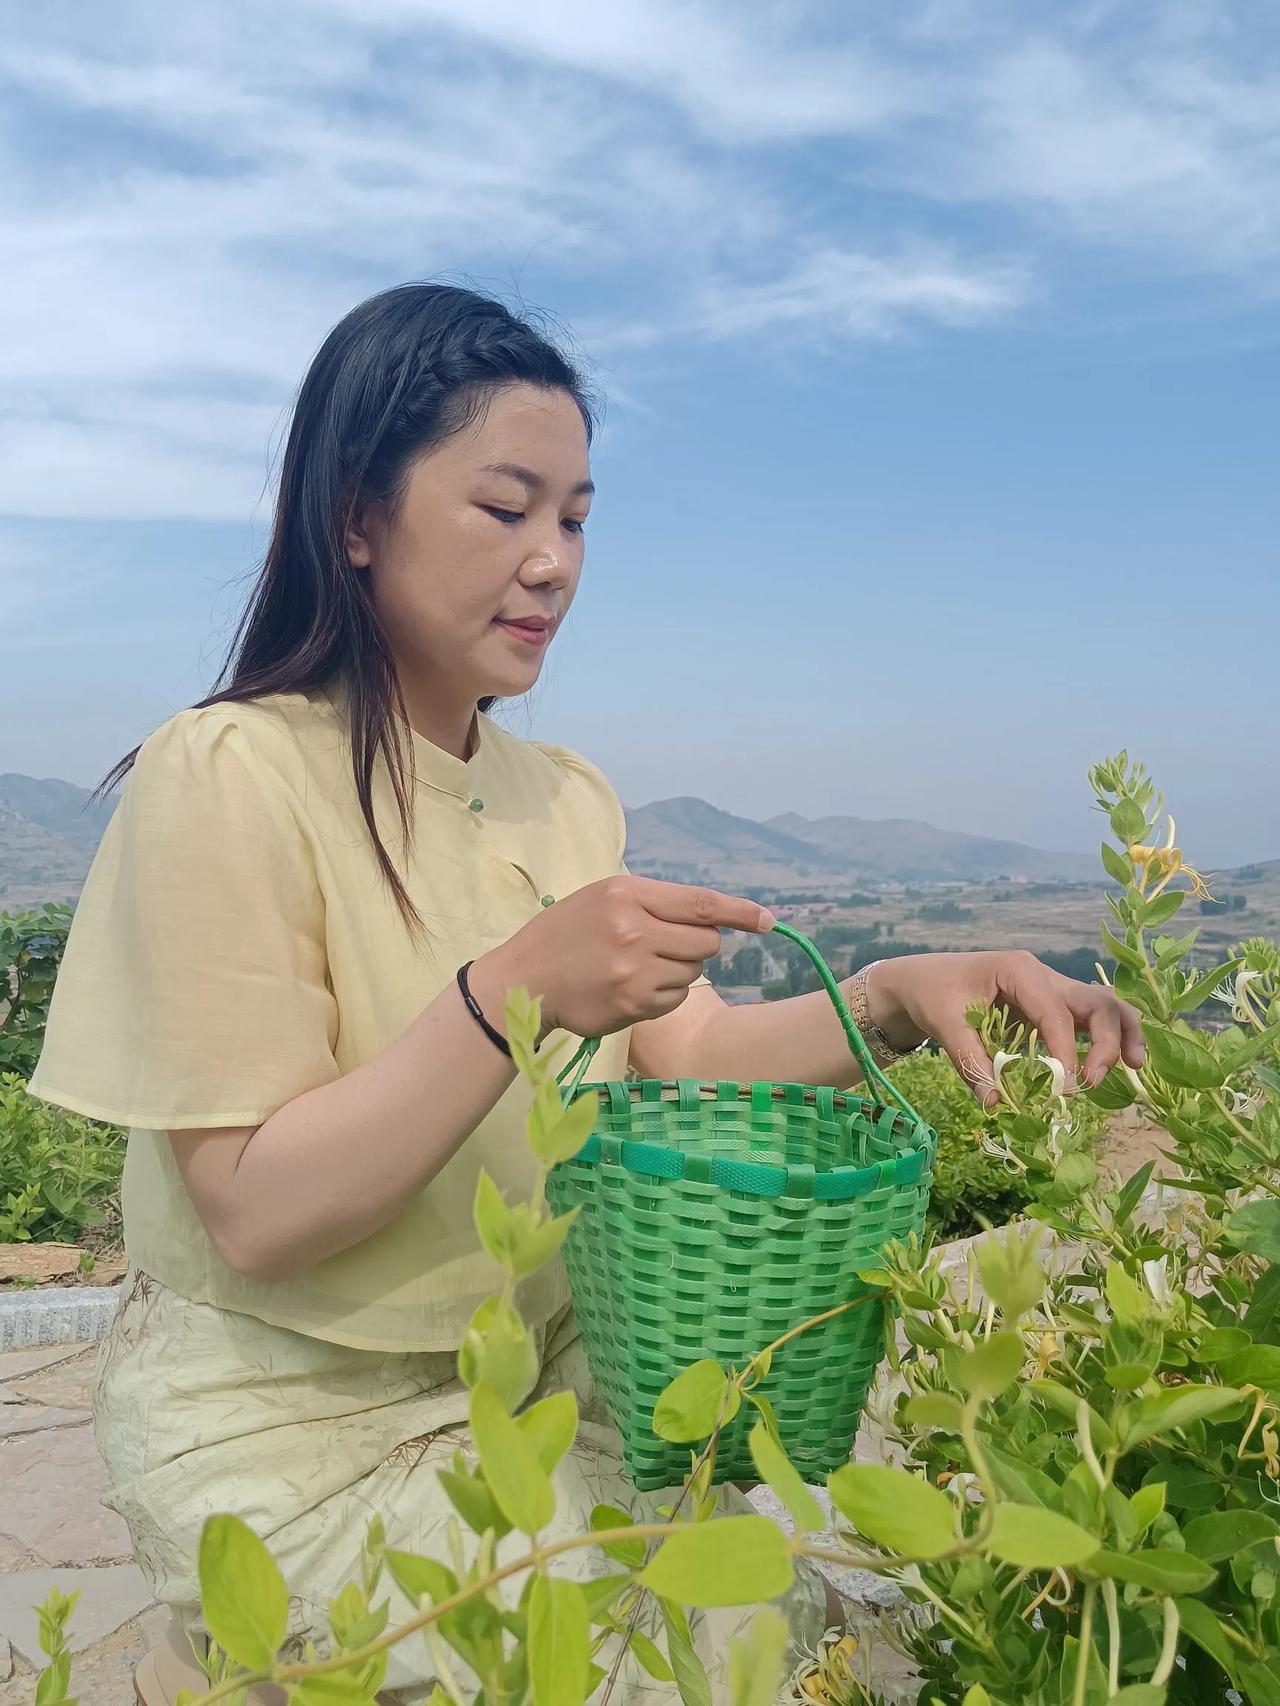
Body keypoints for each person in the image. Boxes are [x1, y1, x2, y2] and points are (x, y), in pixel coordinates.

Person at [31, 283, 1145, 1705]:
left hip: (545, 1381)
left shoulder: (564, 798)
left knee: (765, 1636)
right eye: (506, 508)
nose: (552, 561)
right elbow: (253, 1208)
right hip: (293, 1422)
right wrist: (508, 997)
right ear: (357, 516)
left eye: (576, 518)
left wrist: (883, 995)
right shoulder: (230, 775)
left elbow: (691, 1046)